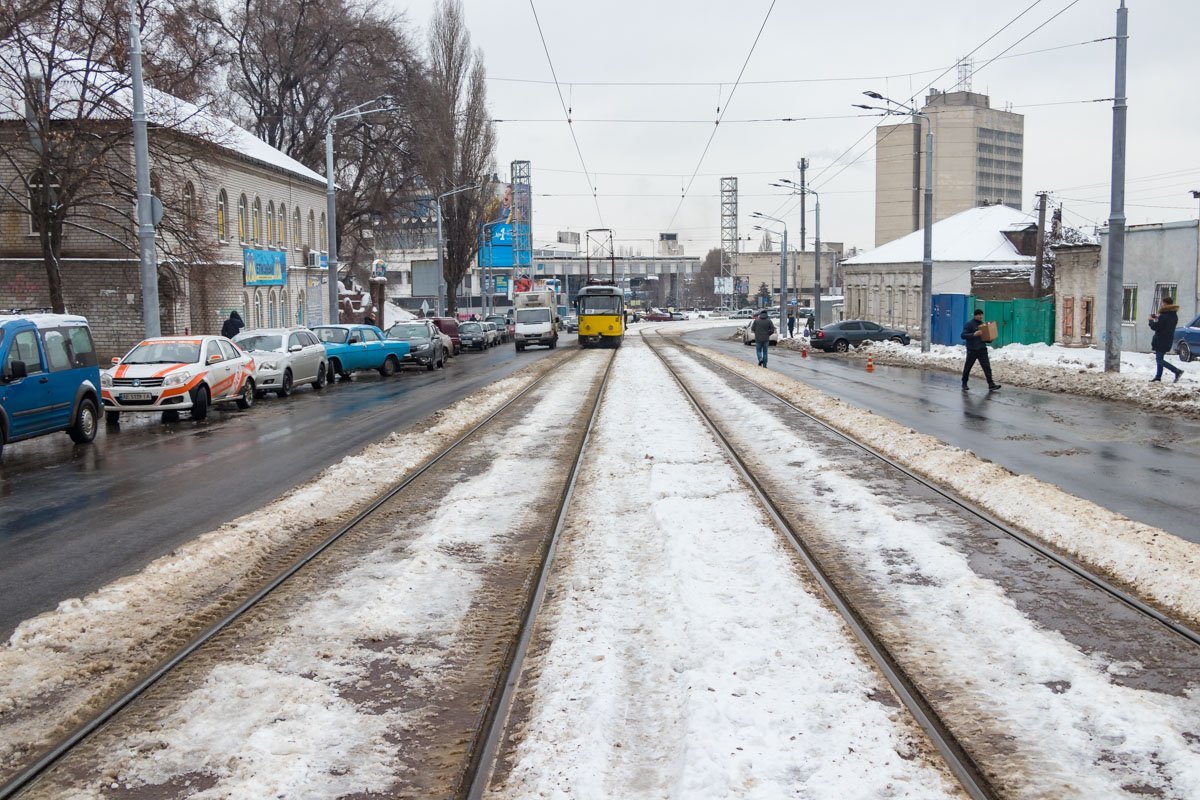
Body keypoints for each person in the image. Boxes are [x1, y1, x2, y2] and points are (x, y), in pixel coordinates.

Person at [961, 308, 1000, 392]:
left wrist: (990, 339)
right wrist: (973, 334)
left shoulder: (983, 325)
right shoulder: (969, 324)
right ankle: (964, 383)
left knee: (986, 367)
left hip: (982, 349)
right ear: (975, 315)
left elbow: (985, 338)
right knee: (968, 367)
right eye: (979, 315)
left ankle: (991, 384)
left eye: (981, 315)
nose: (981, 316)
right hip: (972, 349)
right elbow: (963, 335)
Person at [1149, 292, 1184, 383]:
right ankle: (1158, 376)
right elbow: (1166, 324)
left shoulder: (1164, 316)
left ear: (1165, 304)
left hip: (1160, 339)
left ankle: (1177, 371)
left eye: (1162, 303)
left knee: (1159, 359)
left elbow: (1156, 327)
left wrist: (1151, 321)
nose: (1161, 305)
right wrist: (1158, 317)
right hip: (1168, 339)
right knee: (1160, 358)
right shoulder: (1173, 315)